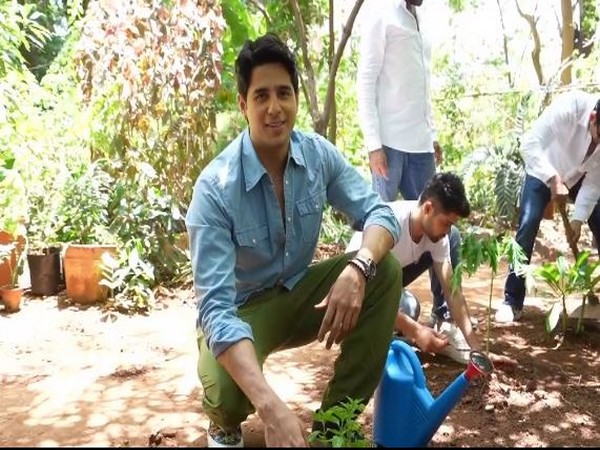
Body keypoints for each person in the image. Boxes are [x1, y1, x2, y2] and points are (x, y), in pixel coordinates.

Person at [185, 33, 403, 448]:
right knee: (227, 395)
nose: (274, 108)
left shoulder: (317, 155)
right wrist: (271, 406)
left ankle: (332, 431)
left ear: (296, 99)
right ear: (242, 105)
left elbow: (380, 214)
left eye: (284, 93)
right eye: (261, 95)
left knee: (384, 271)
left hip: (302, 294)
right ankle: (223, 428)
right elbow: (214, 307)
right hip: (241, 312)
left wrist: (358, 268)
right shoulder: (215, 187)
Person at [347, 173, 516, 368]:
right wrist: (416, 331)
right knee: (377, 329)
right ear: (428, 208)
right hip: (354, 287)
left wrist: (476, 350)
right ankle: (392, 338)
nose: (446, 231)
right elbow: (365, 293)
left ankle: (401, 333)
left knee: (410, 308)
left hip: (385, 283)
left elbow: (453, 293)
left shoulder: (437, 236)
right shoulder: (390, 223)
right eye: (445, 223)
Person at [356, 0, 448, 329]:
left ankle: (444, 314)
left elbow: (420, 88)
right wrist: (373, 145)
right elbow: (366, 81)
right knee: (381, 227)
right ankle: (376, 308)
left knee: (440, 228)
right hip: (389, 145)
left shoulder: (420, 18)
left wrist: (431, 134)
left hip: (420, 146)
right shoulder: (381, 13)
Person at [499, 90, 600, 323]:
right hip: (542, 168)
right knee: (528, 224)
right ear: (594, 118)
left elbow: (594, 183)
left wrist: (577, 219)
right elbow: (529, 144)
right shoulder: (569, 107)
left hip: (577, 177)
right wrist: (553, 178)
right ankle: (512, 300)